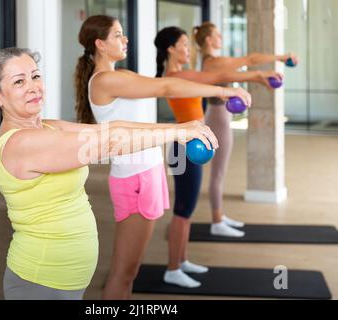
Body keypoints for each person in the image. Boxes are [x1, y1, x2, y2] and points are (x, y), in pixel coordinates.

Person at [0, 47, 218, 300]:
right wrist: (176, 134)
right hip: (40, 281)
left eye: (35, 76)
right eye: (19, 81)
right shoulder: (21, 144)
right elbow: (108, 144)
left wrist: (180, 127)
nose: (33, 86)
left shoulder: (49, 126)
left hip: (64, 280)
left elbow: (111, 129)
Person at [74, 15, 251, 299]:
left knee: (130, 272)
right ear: (100, 44)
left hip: (147, 173)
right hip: (135, 179)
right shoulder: (106, 80)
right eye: (118, 35)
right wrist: (222, 90)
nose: (125, 39)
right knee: (124, 272)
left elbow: (169, 83)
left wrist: (223, 85)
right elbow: (165, 87)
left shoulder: (124, 75)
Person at [154, 26, 282, 288]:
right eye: (183, 44)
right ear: (170, 49)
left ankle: (183, 260)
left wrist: (257, 78)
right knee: (183, 210)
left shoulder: (180, 74)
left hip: (191, 143)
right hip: (184, 146)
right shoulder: (177, 75)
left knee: (187, 209)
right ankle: (172, 268)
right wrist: (258, 76)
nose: (188, 49)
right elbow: (218, 76)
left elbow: (218, 76)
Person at [191, 22, 297, 237]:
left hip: (219, 114)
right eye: (217, 34)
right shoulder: (214, 62)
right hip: (218, 117)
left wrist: (260, 77)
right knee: (218, 174)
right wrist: (280, 57)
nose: (221, 37)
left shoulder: (212, 62)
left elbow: (242, 73)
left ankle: (219, 216)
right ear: (209, 40)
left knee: (220, 173)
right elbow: (250, 61)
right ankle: (217, 221)